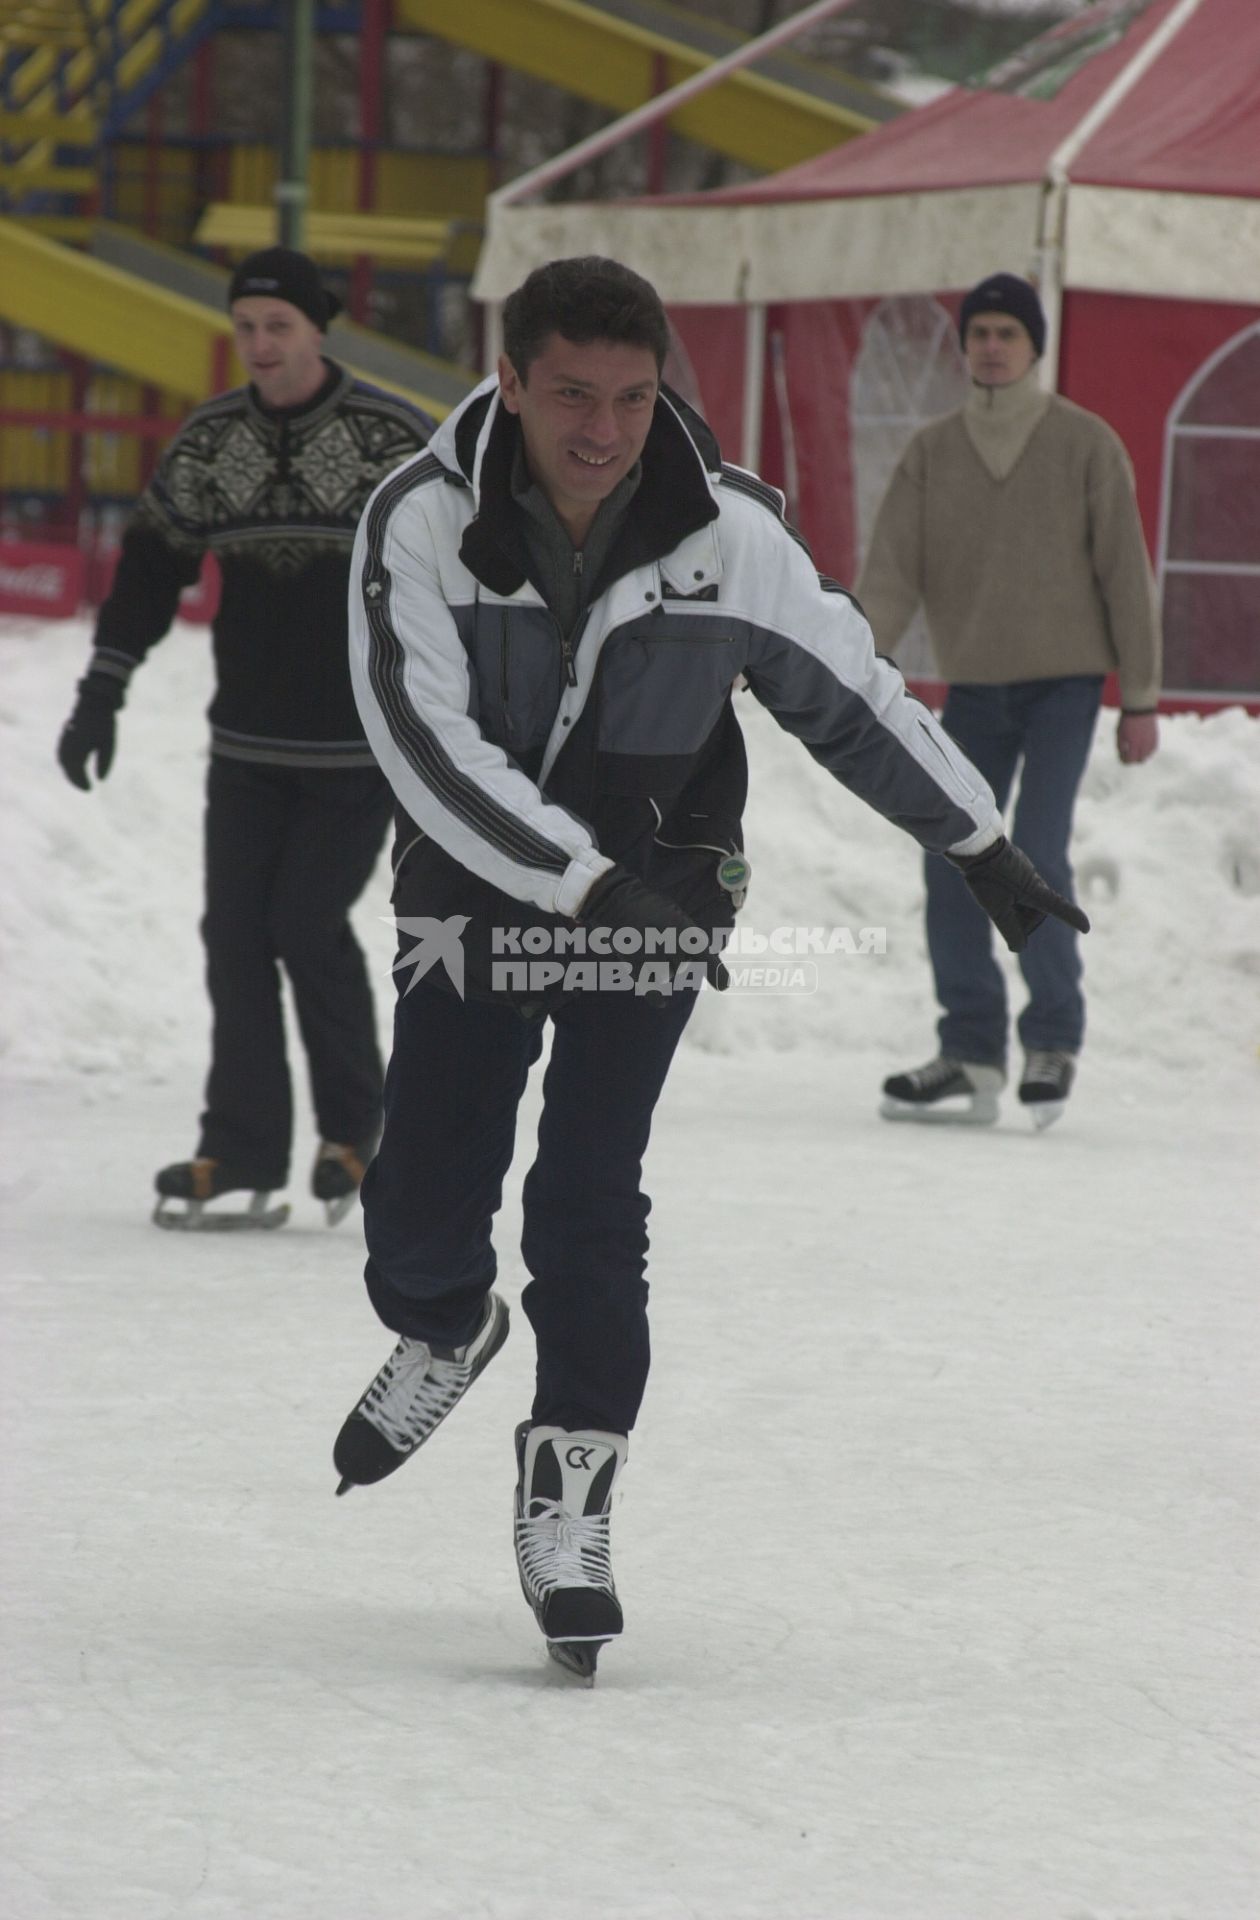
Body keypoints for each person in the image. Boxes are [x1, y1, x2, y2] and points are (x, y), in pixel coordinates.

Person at [332, 254, 1085, 1678]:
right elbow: (423, 742)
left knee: (588, 1191)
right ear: (510, 381)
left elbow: (852, 697)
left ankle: (573, 1489)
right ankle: (443, 1321)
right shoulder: (418, 522)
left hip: (665, 891)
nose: (605, 429)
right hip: (474, 893)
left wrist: (980, 842)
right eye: (571, 396)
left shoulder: (725, 540)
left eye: (632, 395)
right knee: (426, 1188)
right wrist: (575, 878)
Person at [56, 247, 435, 1228]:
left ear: (318, 329)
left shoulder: (390, 438)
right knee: (233, 936)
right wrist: (103, 692)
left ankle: (360, 1130)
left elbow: (463, 569)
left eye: (279, 327)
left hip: (358, 748)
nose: (260, 346)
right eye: (247, 328)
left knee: (304, 922)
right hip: (248, 747)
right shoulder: (209, 443)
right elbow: (150, 569)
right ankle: (239, 1147)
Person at [858, 271, 1162, 1132]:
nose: (992, 345)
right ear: (964, 345)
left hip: (1066, 685)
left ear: (1035, 346)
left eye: (1008, 333)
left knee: (1037, 853)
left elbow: (1126, 580)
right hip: (975, 691)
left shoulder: (1086, 443)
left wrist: (1139, 698)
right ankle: (971, 1051)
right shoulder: (930, 453)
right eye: (980, 332)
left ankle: (1054, 1040)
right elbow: (889, 577)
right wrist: (845, 669)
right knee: (952, 856)